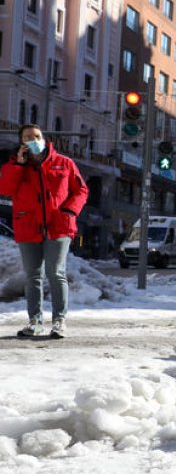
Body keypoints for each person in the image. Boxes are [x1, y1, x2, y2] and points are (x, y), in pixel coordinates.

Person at [0, 125, 89, 339]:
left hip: (58, 226)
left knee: (56, 272)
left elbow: (81, 190)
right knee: (33, 276)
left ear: (44, 138)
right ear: (21, 142)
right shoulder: (14, 165)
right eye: (28, 137)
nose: (33, 140)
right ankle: (35, 322)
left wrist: (69, 211)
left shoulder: (64, 163)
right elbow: (4, 189)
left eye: (37, 136)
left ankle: (59, 321)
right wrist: (19, 165)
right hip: (28, 227)